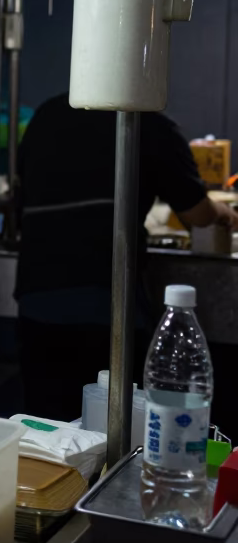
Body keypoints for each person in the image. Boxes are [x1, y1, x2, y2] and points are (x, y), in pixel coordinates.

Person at [14, 95, 238, 422]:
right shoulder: (145, 120)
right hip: (105, 305)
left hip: (37, 300)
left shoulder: (48, 112)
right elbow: (196, 211)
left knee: (45, 432)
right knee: (110, 429)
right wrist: (224, 212)